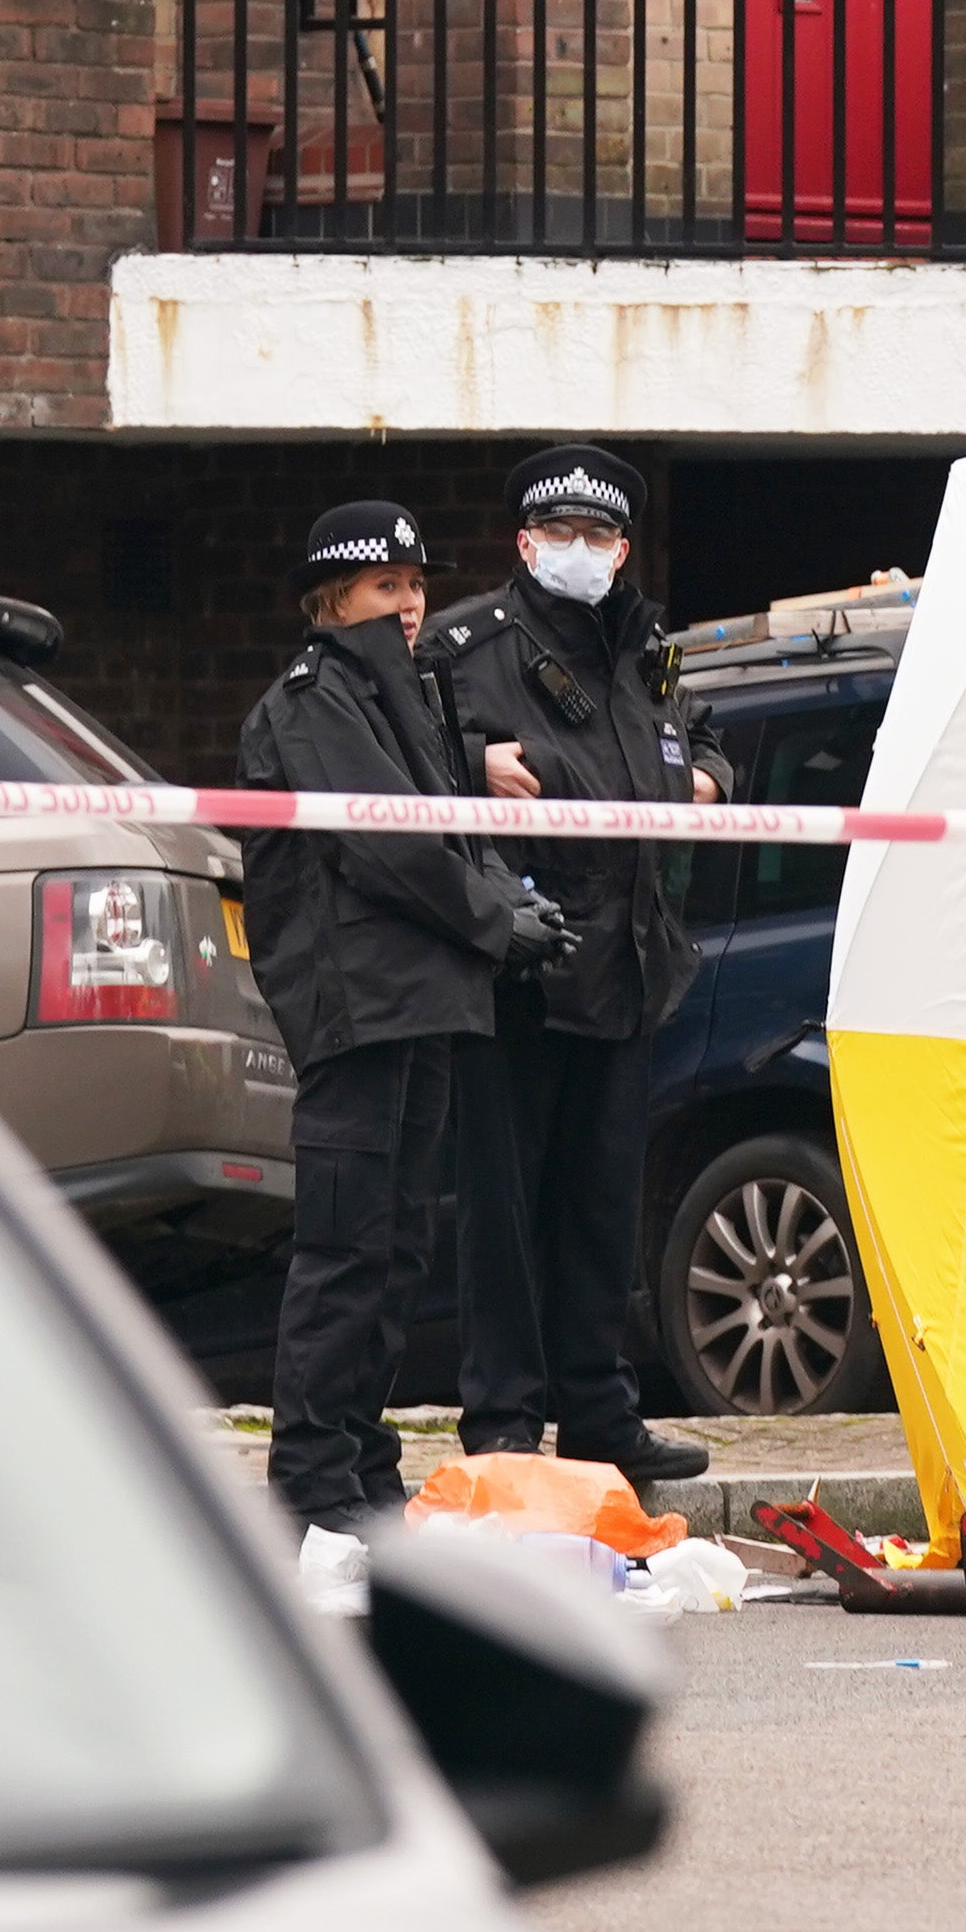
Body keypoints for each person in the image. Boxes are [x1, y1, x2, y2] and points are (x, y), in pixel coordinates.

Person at [238, 500, 571, 1542]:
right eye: (388, 587)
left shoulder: (403, 694)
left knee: (398, 1254)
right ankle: (310, 1475)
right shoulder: (316, 699)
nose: (413, 604)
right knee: (347, 1249)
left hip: (424, 1004)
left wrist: (505, 903)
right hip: (360, 1013)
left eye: (419, 585)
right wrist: (491, 921)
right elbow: (388, 846)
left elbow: (444, 832)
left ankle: (358, 1458)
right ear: (333, 600)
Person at [425, 442, 731, 1489]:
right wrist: (471, 764)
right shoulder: (471, 643)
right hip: (521, 966)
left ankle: (600, 1415)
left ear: (623, 547)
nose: (580, 550)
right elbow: (395, 751)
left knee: (602, 1205)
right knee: (505, 1210)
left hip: (628, 960)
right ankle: (504, 1422)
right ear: (523, 541)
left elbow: (695, 739)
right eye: (560, 532)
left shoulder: (645, 647)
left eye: (598, 535)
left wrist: (712, 779)